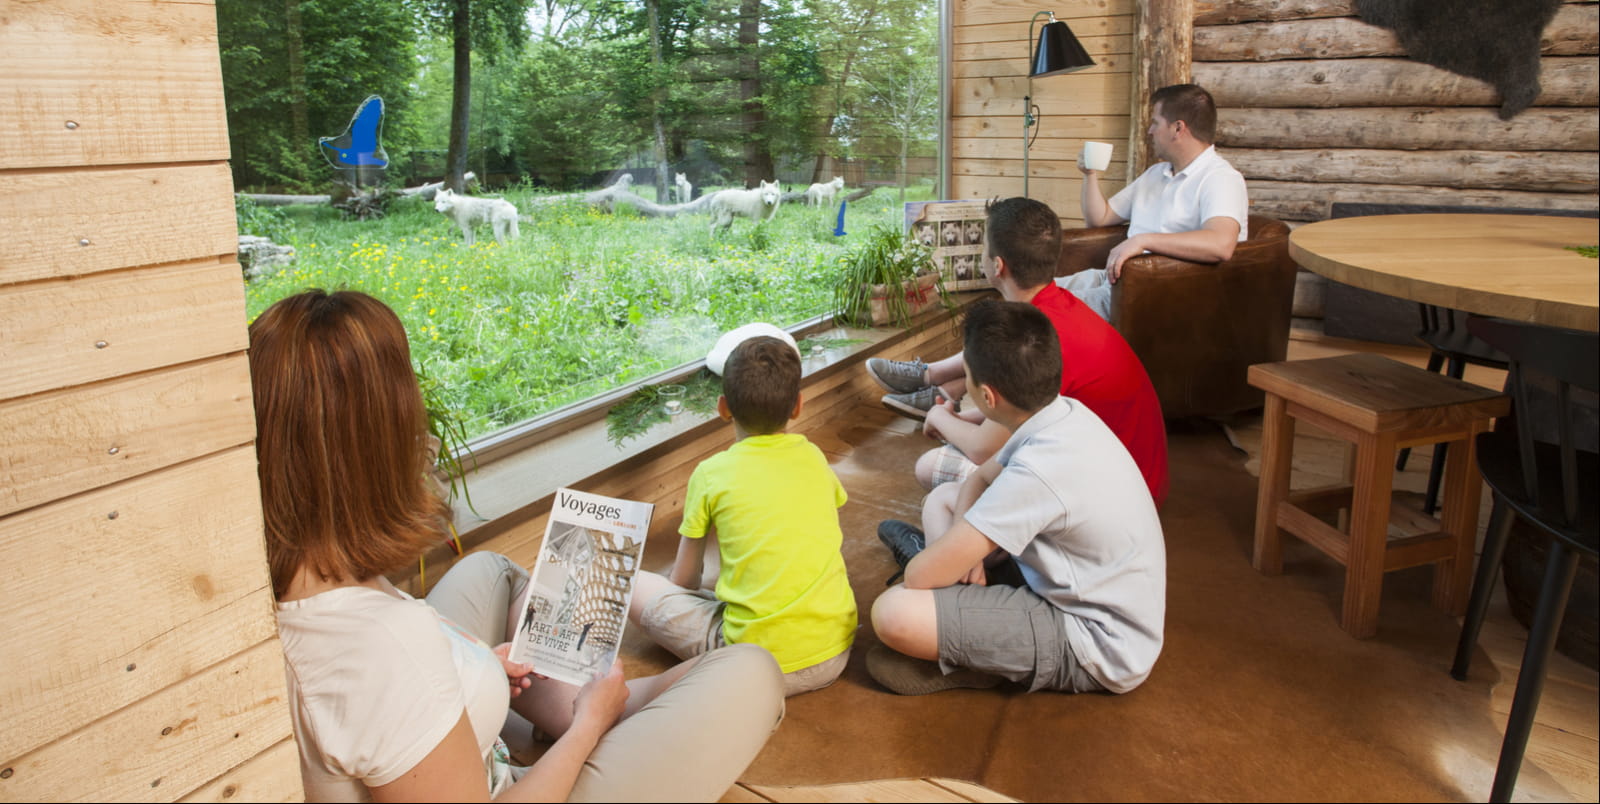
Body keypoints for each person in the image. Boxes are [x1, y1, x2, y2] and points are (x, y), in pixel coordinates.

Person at [251, 289, 784, 802]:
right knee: (754, 672)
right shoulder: (389, 651)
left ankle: (595, 703)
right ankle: (600, 711)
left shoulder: (289, 570)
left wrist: (475, 661)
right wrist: (587, 731)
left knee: (489, 571)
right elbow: (391, 674)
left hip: (421, 709)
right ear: (377, 449)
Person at [868, 299, 1166, 696]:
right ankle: (962, 604)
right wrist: (967, 551)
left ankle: (980, 654)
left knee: (892, 613)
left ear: (986, 397)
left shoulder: (1038, 472)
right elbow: (980, 479)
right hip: (1068, 580)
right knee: (943, 496)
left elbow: (920, 578)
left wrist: (946, 561)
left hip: (1096, 642)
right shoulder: (1063, 412)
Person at [870, 197, 1168, 508]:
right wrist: (961, 419)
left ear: (997, 265)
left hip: (1116, 498)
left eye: (983, 248)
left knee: (930, 466)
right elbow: (1029, 414)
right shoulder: (1056, 306)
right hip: (1135, 477)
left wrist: (937, 417)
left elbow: (982, 449)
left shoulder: (1031, 342)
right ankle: (933, 380)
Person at [628, 335, 858, 697]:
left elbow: (685, 580)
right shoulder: (813, 456)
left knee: (637, 584)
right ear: (797, 406)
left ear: (723, 408)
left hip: (754, 666)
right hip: (834, 652)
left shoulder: (710, 473)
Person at [1060, 82, 1249, 320]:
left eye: (1155, 122)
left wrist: (1142, 240)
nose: (1150, 131)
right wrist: (1090, 175)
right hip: (1117, 280)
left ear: (1178, 128)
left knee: (1042, 310)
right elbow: (1100, 218)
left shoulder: (1220, 178)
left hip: (1156, 293)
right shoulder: (1155, 174)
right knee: (1030, 291)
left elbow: (1220, 244)